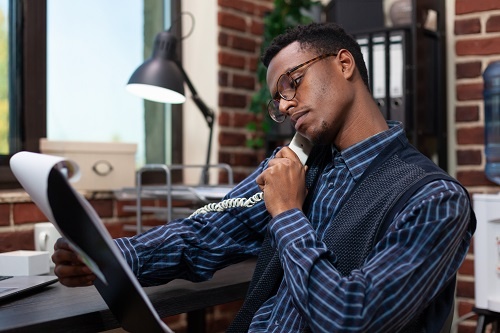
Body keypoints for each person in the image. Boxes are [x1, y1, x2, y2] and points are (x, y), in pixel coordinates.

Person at [52, 22, 476, 332]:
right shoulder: (298, 163)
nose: (286, 105)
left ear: (344, 63)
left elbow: (353, 318)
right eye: (277, 99)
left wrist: (288, 212)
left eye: (293, 82)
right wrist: (106, 256)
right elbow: (207, 232)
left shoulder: (434, 199)